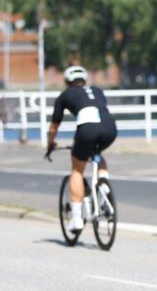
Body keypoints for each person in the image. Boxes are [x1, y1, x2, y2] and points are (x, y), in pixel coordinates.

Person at [46, 66, 118, 232]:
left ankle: (77, 218)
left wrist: (51, 144)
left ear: (67, 82)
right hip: (110, 128)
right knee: (96, 153)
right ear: (84, 80)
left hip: (87, 130)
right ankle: (103, 188)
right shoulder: (97, 90)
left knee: (77, 169)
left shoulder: (65, 95)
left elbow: (54, 127)